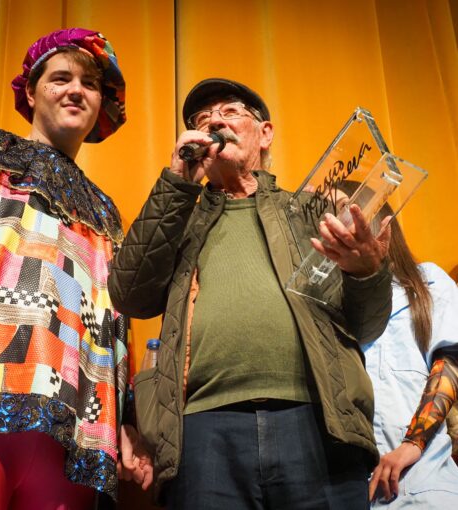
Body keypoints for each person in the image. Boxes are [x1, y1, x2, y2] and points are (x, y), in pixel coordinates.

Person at [109, 78, 393, 509]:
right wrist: (177, 184)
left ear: (265, 133)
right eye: (203, 119)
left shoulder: (309, 211)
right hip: (202, 429)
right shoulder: (179, 216)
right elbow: (128, 294)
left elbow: (365, 325)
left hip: (318, 423)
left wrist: (366, 273)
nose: (214, 122)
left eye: (230, 111)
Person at [0, 28, 151, 510]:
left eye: (89, 83)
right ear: (31, 91)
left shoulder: (106, 213)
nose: (76, 90)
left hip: (70, 432)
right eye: (61, 78)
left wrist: (125, 420)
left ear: (101, 105)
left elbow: (115, 327)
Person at [357, 206, 458, 507]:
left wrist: (412, 444)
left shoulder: (427, 281)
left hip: (424, 482)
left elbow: (450, 362)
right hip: (352, 489)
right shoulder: (327, 303)